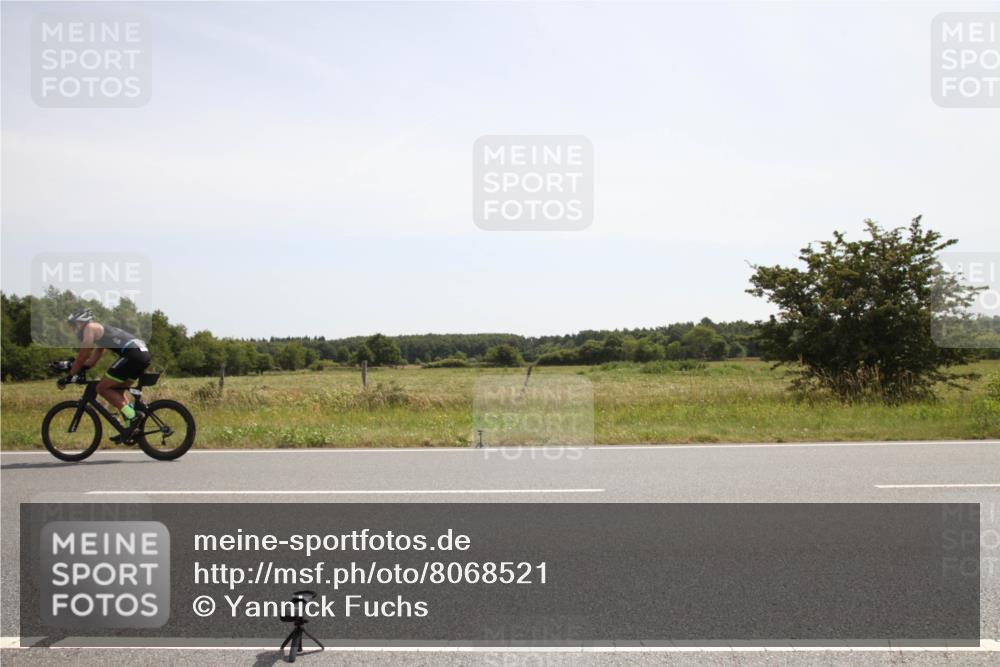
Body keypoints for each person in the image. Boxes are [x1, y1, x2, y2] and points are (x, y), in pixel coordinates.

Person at [60, 309, 151, 441]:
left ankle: (133, 415)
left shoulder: (90, 328)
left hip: (133, 355)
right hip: (142, 355)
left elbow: (83, 355)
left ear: (81, 322)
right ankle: (129, 429)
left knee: (101, 388)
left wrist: (69, 376)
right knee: (117, 392)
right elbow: (92, 361)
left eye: (74, 325)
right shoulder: (101, 332)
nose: (74, 329)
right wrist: (80, 368)